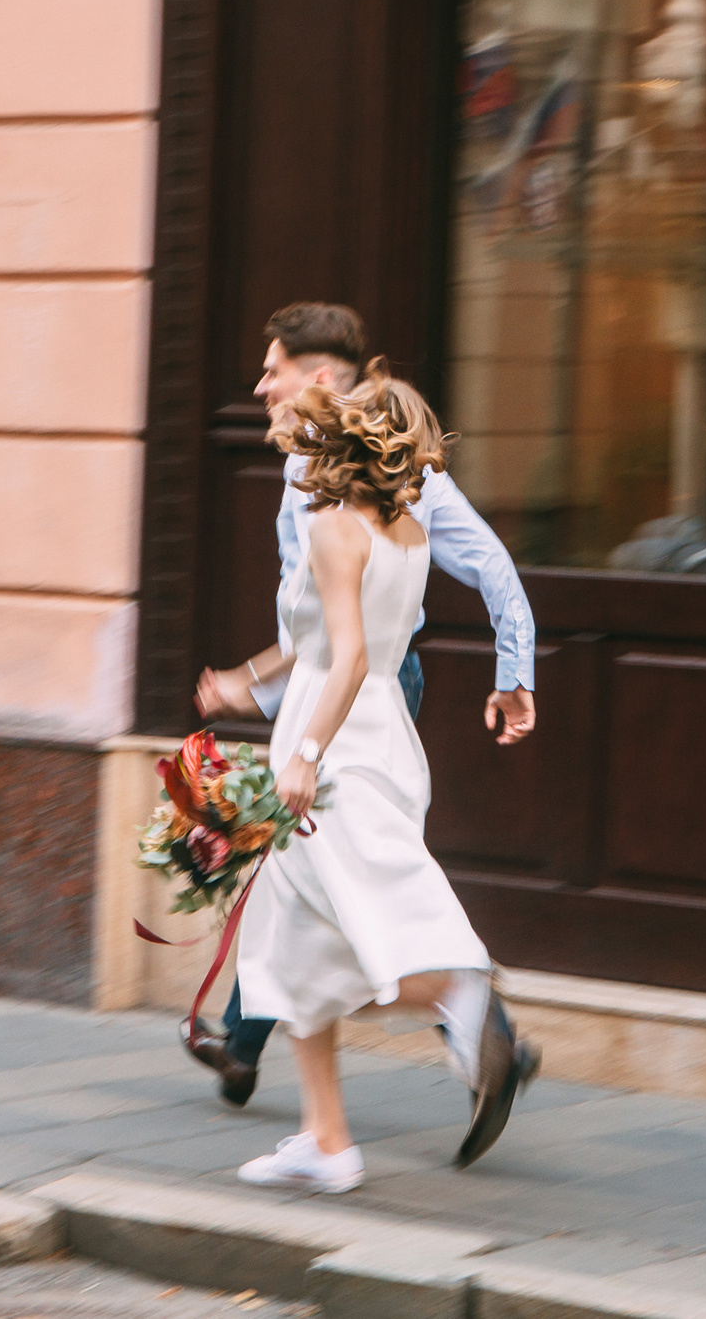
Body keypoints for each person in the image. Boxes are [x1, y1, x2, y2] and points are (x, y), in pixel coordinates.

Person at [192, 303, 536, 1107]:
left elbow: (334, 635)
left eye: (272, 368)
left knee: (343, 875)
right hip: (359, 681)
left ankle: (471, 1010)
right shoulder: (402, 476)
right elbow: (487, 570)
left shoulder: (336, 486)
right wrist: (256, 678)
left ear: (316, 379)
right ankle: (248, 1048)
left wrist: (287, 715)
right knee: (307, 870)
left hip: (348, 688)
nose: (260, 383)